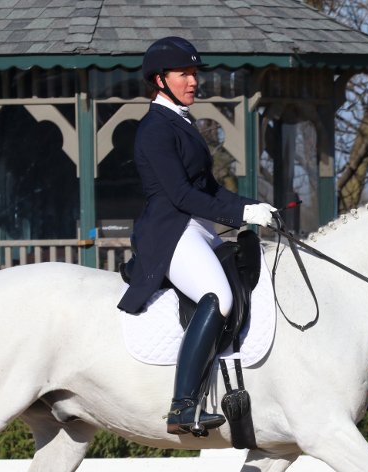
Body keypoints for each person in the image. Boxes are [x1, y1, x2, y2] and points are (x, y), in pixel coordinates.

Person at [117, 36, 276, 436]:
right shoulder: (154, 128)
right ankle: (182, 406)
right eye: (184, 74)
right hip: (170, 231)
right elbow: (183, 195)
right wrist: (240, 213)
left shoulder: (181, 121)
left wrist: (255, 207)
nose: (193, 81)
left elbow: (210, 190)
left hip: (195, 227)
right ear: (159, 79)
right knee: (217, 297)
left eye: (193, 74)